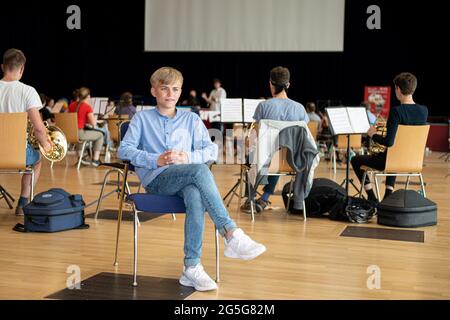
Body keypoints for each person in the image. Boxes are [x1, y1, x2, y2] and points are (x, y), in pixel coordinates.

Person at [118, 67, 266, 292]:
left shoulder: (191, 119)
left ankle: (191, 267)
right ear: (154, 91)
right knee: (199, 172)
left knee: (195, 194)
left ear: (180, 92)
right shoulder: (141, 118)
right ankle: (230, 232)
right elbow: (124, 151)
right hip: (157, 181)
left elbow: (210, 151)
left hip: (186, 177)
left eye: (175, 89)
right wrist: (154, 159)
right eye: (164, 88)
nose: (170, 93)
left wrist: (187, 156)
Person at [240, 66, 310, 213]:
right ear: (288, 84)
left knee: (251, 156)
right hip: (293, 162)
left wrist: (247, 143)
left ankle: (250, 199)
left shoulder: (264, 106)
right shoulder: (300, 109)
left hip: (267, 160)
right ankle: (264, 199)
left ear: (270, 83)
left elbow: (253, 138)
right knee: (281, 153)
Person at [351, 72, 428, 201]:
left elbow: (388, 142)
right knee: (393, 154)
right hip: (413, 161)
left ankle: (371, 196)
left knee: (355, 160)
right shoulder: (424, 111)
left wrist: (373, 135)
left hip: (392, 160)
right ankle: (388, 194)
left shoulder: (396, 111)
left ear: (397, 89)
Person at [0, 48, 52, 216]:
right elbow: (38, 128)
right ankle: (23, 202)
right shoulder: (27, 91)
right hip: (18, 154)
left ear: (2, 67)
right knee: (37, 159)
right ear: (22, 69)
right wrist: (45, 144)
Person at [68, 87, 104, 167]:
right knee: (100, 135)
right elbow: (93, 123)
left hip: (70, 133)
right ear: (88, 96)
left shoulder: (71, 105)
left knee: (79, 138)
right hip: (80, 133)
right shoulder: (87, 107)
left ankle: (81, 158)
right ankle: (95, 159)